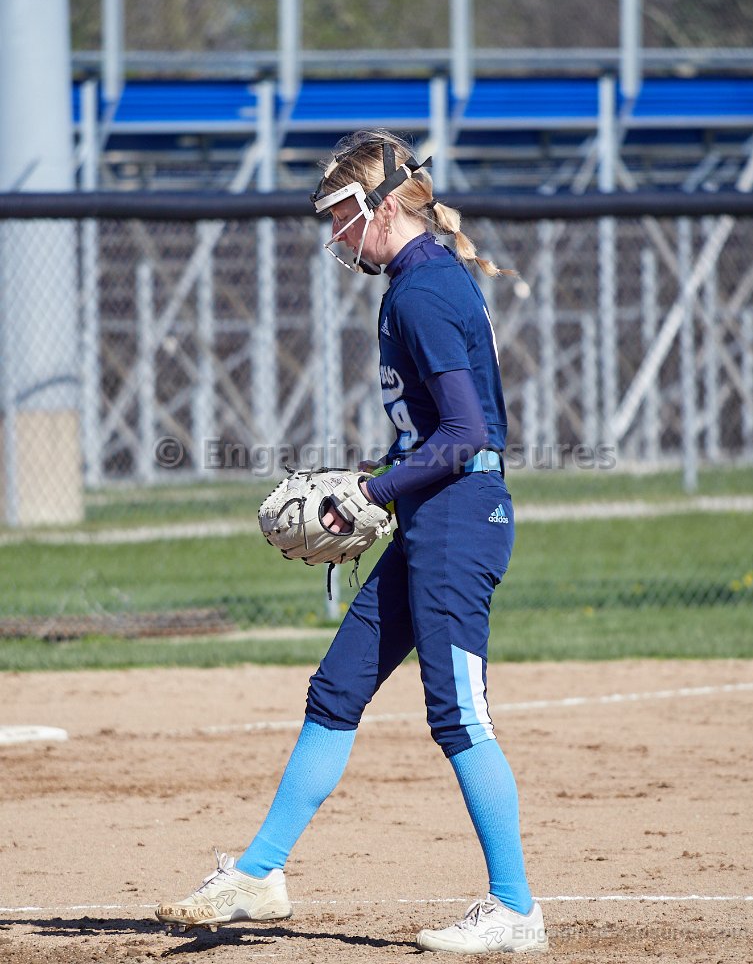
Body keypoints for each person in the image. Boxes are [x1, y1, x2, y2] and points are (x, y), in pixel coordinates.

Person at [155, 129, 549, 955]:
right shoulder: (416, 281)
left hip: (459, 522)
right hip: (433, 515)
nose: (335, 230)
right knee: (336, 690)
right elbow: (434, 432)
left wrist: (370, 493)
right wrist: (376, 478)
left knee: (458, 713)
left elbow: (468, 432)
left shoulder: (422, 291)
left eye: (342, 212)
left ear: (382, 206)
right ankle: (260, 875)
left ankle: (515, 909)